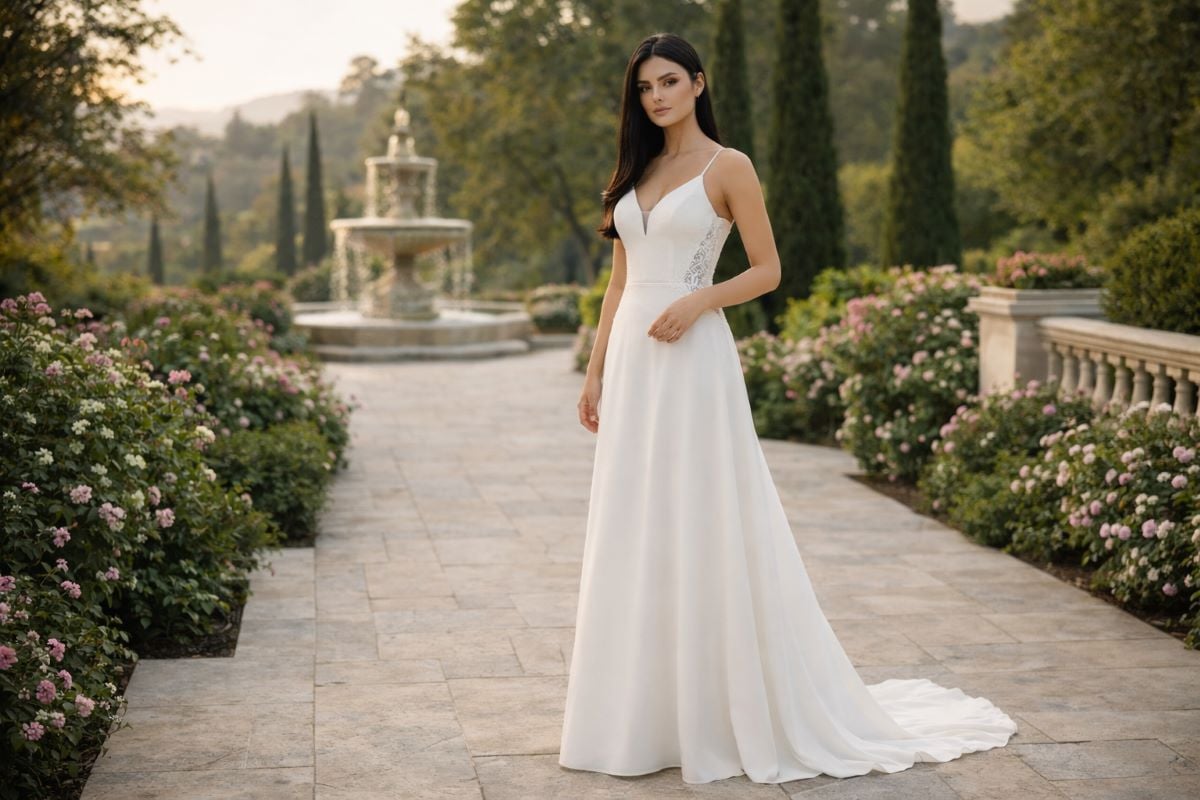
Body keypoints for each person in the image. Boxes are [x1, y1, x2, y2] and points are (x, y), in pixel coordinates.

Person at [558, 32, 1017, 785]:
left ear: (698, 83)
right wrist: (595, 370)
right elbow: (619, 281)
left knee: (701, 516)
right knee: (637, 519)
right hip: (635, 368)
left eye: (669, 81)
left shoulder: (727, 166)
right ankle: (642, 714)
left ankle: (718, 707)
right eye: (644, 87)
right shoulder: (633, 171)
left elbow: (769, 269)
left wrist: (700, 300)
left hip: (692, 360)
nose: (657, 96)